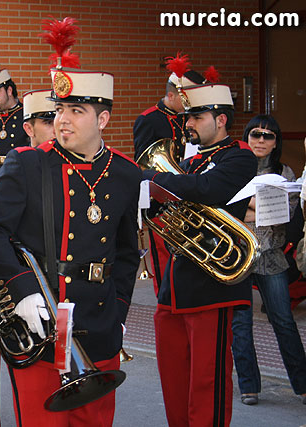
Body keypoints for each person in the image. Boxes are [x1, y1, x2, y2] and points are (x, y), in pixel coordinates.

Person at [0, 64, 141, 426]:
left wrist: (120, 311)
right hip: (43, 322)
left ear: (103, 119)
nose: (63, 119)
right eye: (60, 109)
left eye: (76, 111)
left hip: (100, 325)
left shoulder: (126, 172)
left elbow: (127, 253)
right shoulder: (30, 163)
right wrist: (23, 291)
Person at [141, 81, 257, 426]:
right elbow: (166, 209)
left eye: (196, 116)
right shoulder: (188, 161)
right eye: (187, 116)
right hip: (174, 285)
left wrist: (152, 180)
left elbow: (209, 190)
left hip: (212, 289)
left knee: (208, 382)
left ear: (220, 119)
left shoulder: (238, 156)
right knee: (175, 380)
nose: (187, 124)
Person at [231, 114, 306, 405]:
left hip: (270, 257)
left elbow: (281, 214)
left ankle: (301, 384)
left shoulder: (285, 172)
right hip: (237, 255)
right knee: (241, 323)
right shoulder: (235, 168)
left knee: (284, 321)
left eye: (268, 135)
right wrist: (255, 206)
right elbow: (225, 208)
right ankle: (249, 385)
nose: (261, 140)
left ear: (276, 142)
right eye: (255, 134)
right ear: (247, 137)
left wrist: (244, 205)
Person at [132, 59, 204, 294]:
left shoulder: (190, 119)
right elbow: (144, 162)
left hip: (191, 196)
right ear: (173, 95)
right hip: (163, 203)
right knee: (165, 265)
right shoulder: (149, 119)